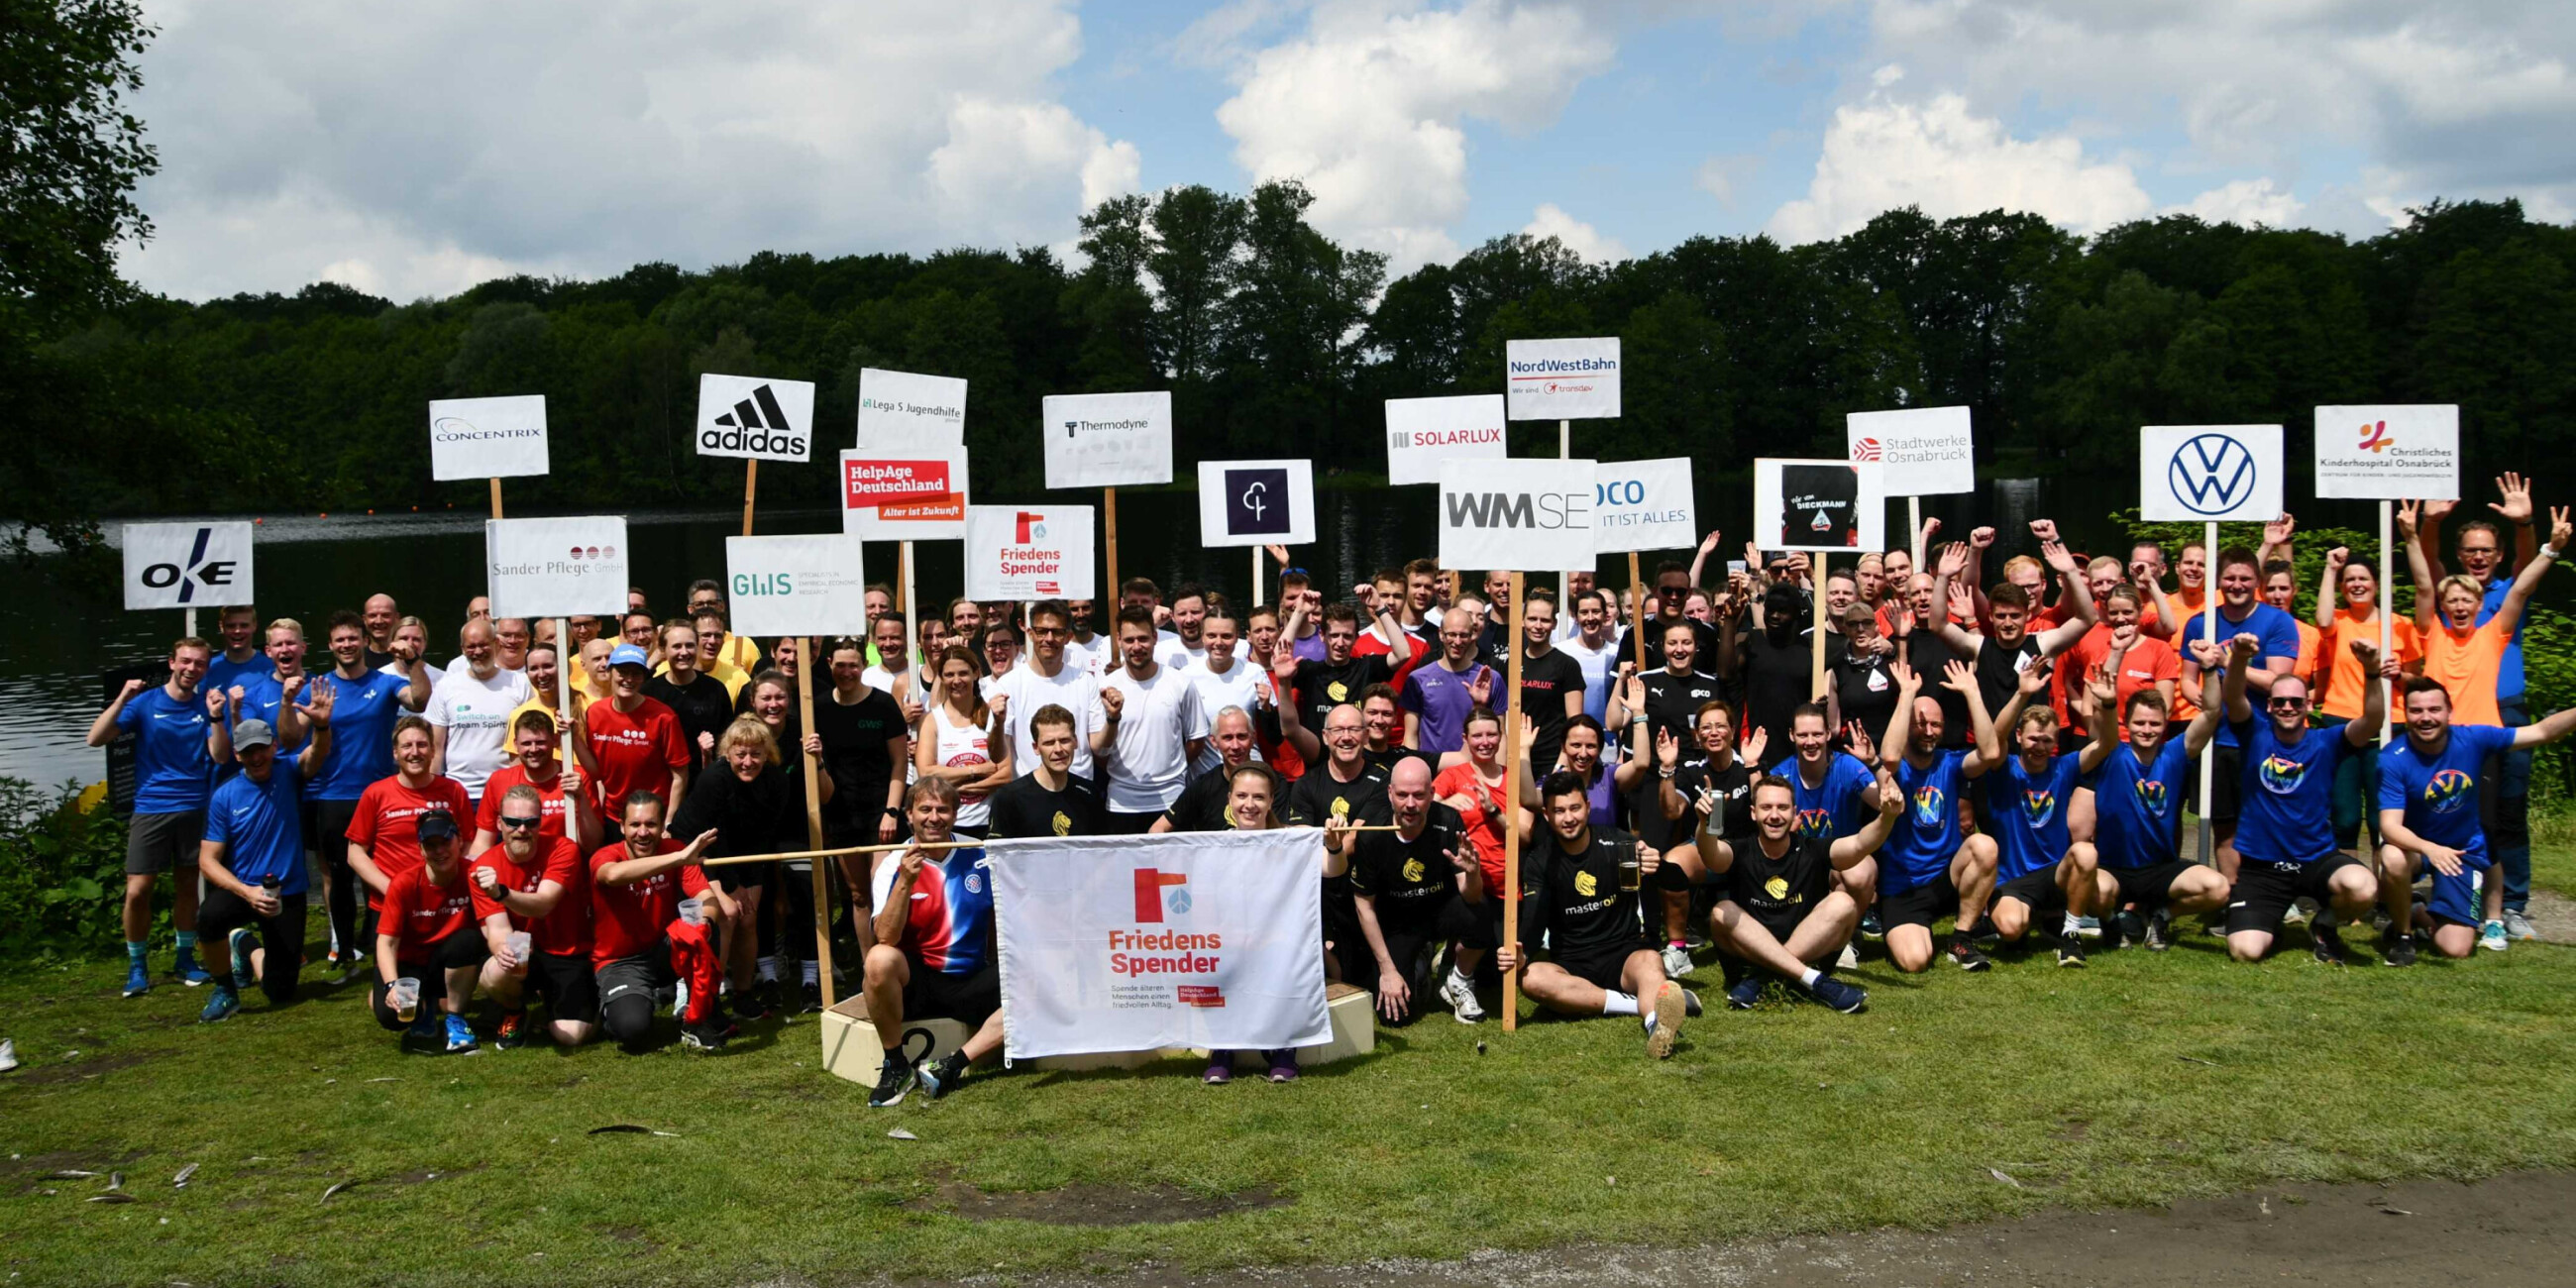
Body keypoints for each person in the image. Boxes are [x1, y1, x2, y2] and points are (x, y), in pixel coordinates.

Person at [2415, 475, 2545, 940]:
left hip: (2505, 713)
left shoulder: (2507, 593)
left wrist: (2525, 523)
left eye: (2487, 549)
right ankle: (2438, 898)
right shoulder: (2451, 598)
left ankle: (2510, 905)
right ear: (2460, 554)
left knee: (2506, 813)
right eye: (2470, 549)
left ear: (2498, 555)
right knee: (2445, 810)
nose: (2478, 556)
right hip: (2455, 720)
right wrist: (2429, 523)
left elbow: (2531, 567)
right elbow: (2425, 572)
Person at [2218, 636, 2395, 964]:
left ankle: (2324, 924)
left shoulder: (2327, 741)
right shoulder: (2254, 733)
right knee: (2245, 952)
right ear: (2269, 705)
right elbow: (2232, 696)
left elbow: (2372, 721)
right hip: (2261, 868)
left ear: (2308, 706)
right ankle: (2268, 920)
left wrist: (2371, 672)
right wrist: (2239, 658)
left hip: (2315, 859)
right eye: (2280, 702)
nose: (2288, 707)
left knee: (2363, 888)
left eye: (2296, 702)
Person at [2377, 677, 2576, 961]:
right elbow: (2390, 826)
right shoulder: (2393, 757)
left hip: (2461, 851)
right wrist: (2430, 849)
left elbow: (2542, 732)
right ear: (2405, 713)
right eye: (2416, 711)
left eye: (2434, 709)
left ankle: (2416, 911)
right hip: (2418, 849)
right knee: (2393, 858)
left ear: (2449, 712)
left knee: (2455, 949)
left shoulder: (2473, 739)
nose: (2426, 718)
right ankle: (2403, 935)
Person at [1497, 771, 1692, 1058]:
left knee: (1650, 960)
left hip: (1624, 955)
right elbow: (1534, 919)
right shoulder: (1540, 861)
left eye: (1575, 808)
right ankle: (1634, 1003)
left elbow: (1678, 883)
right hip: (1573, 963)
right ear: (1547, 816)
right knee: (1532, 979)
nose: (1568, 818)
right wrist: (1520, 953)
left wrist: (1657, 865)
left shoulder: (1620, 844)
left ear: (1588, 806)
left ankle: (1656, 1027)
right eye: (1559, 811)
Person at [86, 637, 232, 995]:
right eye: (185, 661)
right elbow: (95, 738)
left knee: (187, 887)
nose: (191, 669)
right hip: (151, 807)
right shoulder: (146, 703)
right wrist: (122, 698)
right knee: (138, 891)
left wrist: (216, 716)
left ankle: (185, 958)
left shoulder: (207, 703)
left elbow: (220, 756)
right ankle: (138, 965)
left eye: (199, 664)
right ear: (171, 663)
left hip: (195, 806)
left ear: (205, 668)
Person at [2073, 637, 2236, 950]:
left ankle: (2162, 916)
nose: (2146, 730)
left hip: (2160, 869)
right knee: (2085, 888)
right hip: (2115, 868)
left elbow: (2213, 712)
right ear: (2127, 724)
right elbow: (2103, 726)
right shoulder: (2111, 753)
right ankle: (2110, 923)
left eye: (2154, 724)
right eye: (2139, 723)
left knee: (2217, 888)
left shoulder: (2175, 754)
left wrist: (2210, 668)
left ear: (2164, 726)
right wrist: (2108, 701)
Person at [1695, 768, 1895, 1013]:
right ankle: (1814, 981)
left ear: (1794, 813)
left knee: (1844, 903)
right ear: (1753, 813)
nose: (1774, 815)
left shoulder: (1812, 849)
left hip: (1804, 950)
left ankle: (1763, 977)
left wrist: (1887, 817)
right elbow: (1711, 857)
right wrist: (1705, 823)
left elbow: (1860, 843)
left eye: (1782, 807)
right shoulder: (1741, 850)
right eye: (1766, 807)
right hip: (1749, 952)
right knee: (1720, 912)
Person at [306, 610, 433, 970]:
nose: (347, 645)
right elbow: (288, 733)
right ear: (330, 645)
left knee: (381, 873)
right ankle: (344, 950)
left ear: (364, 641)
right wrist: (299, 712)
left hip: (379, 795)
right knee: (338, 875)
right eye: (339, 640)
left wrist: (414, 662)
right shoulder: (319, 687)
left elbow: (420, 700)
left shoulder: (386, 683)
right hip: (332, 796)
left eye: (352, 638)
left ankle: (385, 942)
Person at [864, 779, 1004, 1105]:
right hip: (919, 981)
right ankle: (895, 1064)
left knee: (1034, 977)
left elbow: (1004, 917)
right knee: (879, 959)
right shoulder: (891, 863)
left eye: (943, 809)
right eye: (925, 809)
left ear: (955, 815)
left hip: (969, 979)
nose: (934, 817)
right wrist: (905, 883)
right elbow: (885, 936)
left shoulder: (979, 853)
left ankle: (949, 1067)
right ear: (909, 815)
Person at [1208, 763, 1347, 1083]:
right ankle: (1222, 1050)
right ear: (1229, 799)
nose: (1249, 804)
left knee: (1285, 965)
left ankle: (1284, 1051)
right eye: (1241, 795)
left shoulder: (1292, 839)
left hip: (1278, 945)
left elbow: (1334, 869)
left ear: (1272, 801)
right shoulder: (1213, 844)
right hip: (1231, 942)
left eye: (1259, 797)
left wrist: (1335, 844)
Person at [2172, 546, 2305, 882]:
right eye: (2230, 578)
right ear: (2218, 581)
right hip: (2217, 739)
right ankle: (2234, 896)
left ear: (2257, 581)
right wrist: (2202, 700)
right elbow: (2186, 680)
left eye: (2245, 578)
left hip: (2265, 737)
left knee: (2268, 819)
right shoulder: (2201, 622)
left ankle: (2270, 890)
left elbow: (2278, 681)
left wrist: (2228, 661)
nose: (2237, 584)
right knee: (2225, 823)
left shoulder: (2278, 622)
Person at [195, 706, 334, 1021]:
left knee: (280, 992)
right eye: (247, 752)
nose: (256, 758)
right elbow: (207, 860)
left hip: (287, 893)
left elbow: (316, 755)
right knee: (209, 918)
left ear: (273, 746)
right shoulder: (224, 796)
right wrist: (247, 892)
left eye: (261, 749)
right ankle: (225, 990)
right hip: (245, 890)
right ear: (237, 754)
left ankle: (245, 945)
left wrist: (322, 725)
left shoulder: (288, 771)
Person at [670, 716, 808, 1020]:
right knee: (728, 916)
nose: (748, 761)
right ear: (727, 754)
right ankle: (710, 997)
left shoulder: (776, 781)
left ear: (766, 753)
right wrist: (735, 887)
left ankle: (744, 994)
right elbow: (712, 837)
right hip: (701, 849)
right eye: (740, 754)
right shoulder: (714, 780)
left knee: (748, 918)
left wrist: (748, 882)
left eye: (756, 754)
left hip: (749, 852)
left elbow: (766, 833)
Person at [1874, 661, 2003, 973]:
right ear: (1907, 725)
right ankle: (1917, 930)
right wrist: (1906, 695)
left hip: (1946, 878)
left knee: (1984, 846)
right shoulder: (1891, 770)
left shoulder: (1950, 762)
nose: (1929, 731)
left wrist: (1972, 693)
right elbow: (1889, 755)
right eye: (1921, 724)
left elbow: (1989, 752)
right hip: (1902, 886)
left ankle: (1961, 937)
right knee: (1915, 961)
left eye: (1936, 725)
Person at [1984, 658, 2113, 966]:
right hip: (2013, 879)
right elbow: (1993, 738)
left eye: (2046, 740)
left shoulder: (2064, 766)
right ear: (2019, 738)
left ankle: (2070, 933)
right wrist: (2022, 695)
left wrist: (2108, 705)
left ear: (2056, 742)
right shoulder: (2005, 768)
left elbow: (2106, 744)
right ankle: (2036, 919)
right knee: (2011, 928)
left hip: (2056, 874)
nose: (2039, 746)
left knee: (2093, 867)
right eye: (2032, 738)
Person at [1346, 760, 1491, 1025]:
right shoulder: (1371, 834)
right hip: (1398, 925)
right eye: (1402, 795)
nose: (1410, 804)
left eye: (1419, 795)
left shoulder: (1447, 821)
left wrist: (1472, 873)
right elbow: (1363, 906)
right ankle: (1421, 964)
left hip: (1440, 912)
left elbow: (1470, 896)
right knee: (1394, 1017)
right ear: (1390, 793)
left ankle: (1457, 979)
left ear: (1432, 794)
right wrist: (1387, 970)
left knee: (1481, 911)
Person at [589, 792, 731, 1051]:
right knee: (633, 1030)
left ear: (661, 824)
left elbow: (707, 897)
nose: (643, 832)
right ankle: (615, 1007)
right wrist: (678, 858)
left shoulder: (676, 849)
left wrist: (705, 925)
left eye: (651, 824)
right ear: (621, 827)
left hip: (663, 949)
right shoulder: (607, 855)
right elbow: (610, 876)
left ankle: (704, 1017)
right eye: (635, 825)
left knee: (704, 933)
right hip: (620, 961)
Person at [468, 782, 594, 1048]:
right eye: (513, 822)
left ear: (540, 822)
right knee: (493, 972)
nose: (522, 830)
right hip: (525, 951)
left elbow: (545, 903)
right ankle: (516, 1010)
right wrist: (503, 950)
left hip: (566, 952)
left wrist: (502, 893)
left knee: (571, 1036)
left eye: (531, 822)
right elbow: (498, 929)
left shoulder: (564, 849)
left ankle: (574, 1006)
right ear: (499, 823)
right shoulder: (483, 867)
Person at [2313, 546, 2419, 852]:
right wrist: (2331, 569)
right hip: (2341, 720)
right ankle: (2347, 891)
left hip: (2390, 724)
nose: (2356, 584)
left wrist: (2399, 673)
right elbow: (2321, 621)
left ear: (2376, 584)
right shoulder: (2339, 621)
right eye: (2349, 580)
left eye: (2363, 578)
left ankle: (2386, 890)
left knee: (2381, 817)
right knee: (2344, 816)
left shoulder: (2400, 625)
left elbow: (2416, 681)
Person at [369, 811, 487, 1053]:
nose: (440, 851)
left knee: (468, 940)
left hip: (451, 961)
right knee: (390, 1017)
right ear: (421, 849)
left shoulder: (475, 874)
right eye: (431, 845)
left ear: (460, 841)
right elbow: (386, 942)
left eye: (445, 842)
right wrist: (391, 985)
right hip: (410, 966)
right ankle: (422, 1008)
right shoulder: (404, 883)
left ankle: (455, 1018)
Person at [813, 637, 912, 926]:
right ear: (829, 664)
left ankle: (892, 960)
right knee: (858, 896)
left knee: (883, 889)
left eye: (853, 666)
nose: (846, 672)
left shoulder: (883, 705)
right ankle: (867, 965)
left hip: (882, 814)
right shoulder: (818, 708)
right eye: (840, 665)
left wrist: (892, 812)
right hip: (842, 815)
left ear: (864, 665)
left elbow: (900, 763)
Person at [1093, 606, 1209, 831]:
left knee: (1174, 868)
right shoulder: (1105, 688)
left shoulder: (1180, 683)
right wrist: (1120, 771)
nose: (1137, 647)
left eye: (1143, 639)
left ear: (1155, 637)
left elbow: (1196, 741)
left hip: (1172, 801)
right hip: (1122, 803)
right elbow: (1099, 750)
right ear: (1119, 641)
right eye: (1129, 640)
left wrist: (1170, 767)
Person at [1277, 597, 1415, 763]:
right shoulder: (1310, 671)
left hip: (1359, 760)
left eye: (1347, 636)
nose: (1340, 643)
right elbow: (1279, 658)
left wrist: (1380, 608)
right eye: (1334, 635)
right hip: (1319, 761)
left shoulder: (1366, 667)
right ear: (1322, 635)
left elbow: (1403, 654)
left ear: (1357, 637)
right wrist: (1299, 613)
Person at [987, 600, 1105, 786]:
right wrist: (998, 724)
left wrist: (1113, 719)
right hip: (1030, 792)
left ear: (1068, 637)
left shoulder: (1085, 681)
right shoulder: (1008, 684)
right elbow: (997, 756)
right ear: (1030, 634)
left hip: (1079, 789)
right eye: (1042, 631)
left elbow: (1099, 747)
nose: (1049, 638)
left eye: (1057, 632)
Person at [577, 644, 692, 825]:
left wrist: (669, 822)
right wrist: (574, 737)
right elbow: (596, 772)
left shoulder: (664, 717)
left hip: (652, 819)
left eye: (636, 673)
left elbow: (680, 775)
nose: (629, 679)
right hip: (613, 816)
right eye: (622, 672)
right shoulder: (595, 713)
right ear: (610, 672)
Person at [426, 618, 533, 809]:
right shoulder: (447, 686)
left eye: (483, 645)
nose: (477, 652)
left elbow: (527, 741)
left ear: (496, 644)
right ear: (462, 649)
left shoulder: (520, 683)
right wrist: (432, 793)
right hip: (457, 792)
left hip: (506, 793)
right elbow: (436, 746)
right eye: (471, 646)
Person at [915, 644, 1010, 837]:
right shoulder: (932, 720)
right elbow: (926, 773)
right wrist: (977, 770)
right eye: (949, 675)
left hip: (990, 823)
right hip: (948, 826)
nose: (956, 680)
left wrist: (966, 786)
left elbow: (1006, 772)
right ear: (941, 677)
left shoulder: (992, 714)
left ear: (975, 674)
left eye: (963, 673)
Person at [475, 709, 597, 854]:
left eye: (540, 742)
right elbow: (483, 842)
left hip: (566, 865)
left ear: (555, 740)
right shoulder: (499, 781)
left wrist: (581, 797)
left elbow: (592, 845)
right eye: (526, 743)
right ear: (515, 744)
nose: (533, 749)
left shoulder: (576, 778)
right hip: (516, 868)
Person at [988, 704, 1107, 839]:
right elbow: (999, 855)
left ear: (1075, 742)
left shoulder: (1089, 793)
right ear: (1036, 748)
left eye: (1064, 740)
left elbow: (1100, 852)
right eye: (1049, 743)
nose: (1058, 749)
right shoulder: (1009, 798)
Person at [1401, 606, 1503, 757]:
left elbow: (1501, 735)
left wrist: (1501, 776)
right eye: (1452, 635)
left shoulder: (1490, 679)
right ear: (1441, 634)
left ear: (1472, 636)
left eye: (1463, 635)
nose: (1457, 641)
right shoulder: (1417, 679)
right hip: (1433, 770)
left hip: (1475, 770)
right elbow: (1411, 736)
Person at [1181, 611, 1270, 776]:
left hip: (1248, 775)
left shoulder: (1253, 672)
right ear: (1202, 636)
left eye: (1226, 636)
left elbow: (1274, 736)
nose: (1219, 642)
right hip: (1206, 778)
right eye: (1212, 635)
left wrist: (1267, 709)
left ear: (1237, 637)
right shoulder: (1187, 676)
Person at [645, 619, 735, 778]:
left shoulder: (716, 690)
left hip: (704, 782)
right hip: (661, 784)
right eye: (677, 646)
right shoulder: (649, 691)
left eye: (690, 645)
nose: (684, 652)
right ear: (663, 649)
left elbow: (727, 742)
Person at [1153, 706, 1262, 832]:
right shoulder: (1202, 786)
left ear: (1253, 738)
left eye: (1241, 736)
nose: (1235, 746)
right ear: (1214, 741)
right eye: (1227, 738)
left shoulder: (1273, 782)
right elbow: (1157, 829)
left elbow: (1285, 834)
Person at [205, 604, 272, 696]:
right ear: (221, 626)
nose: (237, 631)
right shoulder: (208, 668)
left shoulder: (271, 667)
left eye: (244, 626)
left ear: (254, 625)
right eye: (231, 626)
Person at [362, 593, 401, 667]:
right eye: (372, 616)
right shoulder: (357, 660)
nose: (379, 621)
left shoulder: (407, 658)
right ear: (364, 620)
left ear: (397, 618)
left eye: (385, 615)